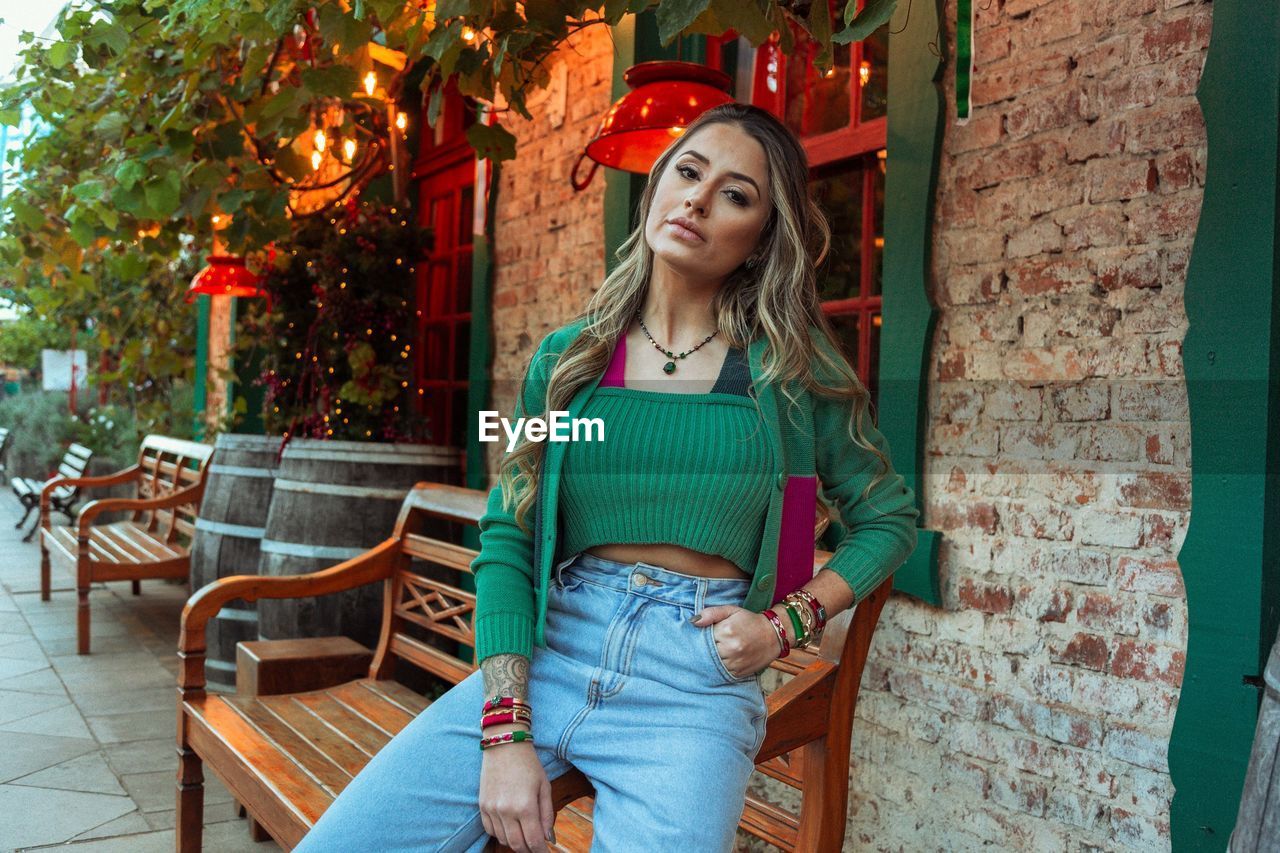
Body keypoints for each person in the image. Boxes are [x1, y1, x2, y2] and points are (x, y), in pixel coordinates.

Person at [295, 102, 919, 853]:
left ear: (759, 240)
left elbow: (888, 518)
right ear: (657, 187)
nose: (697, 198)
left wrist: (786, 623)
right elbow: (508, 535)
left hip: (691, 687)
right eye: (688, 172)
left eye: (735, 193)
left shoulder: (791, 374)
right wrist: (504, 729)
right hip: (551, 650)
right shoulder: (566, 365)